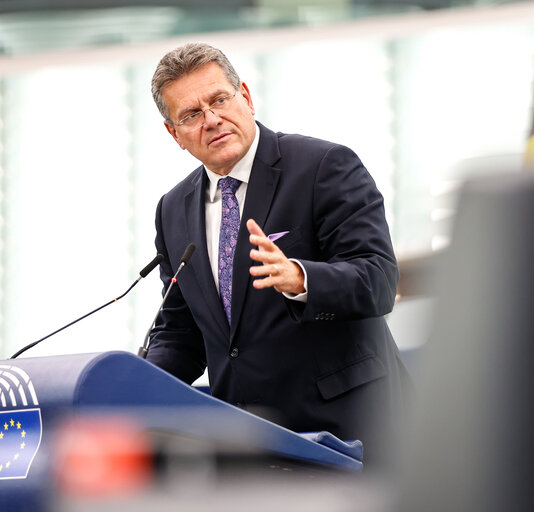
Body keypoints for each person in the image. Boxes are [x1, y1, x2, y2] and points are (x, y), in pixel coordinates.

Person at [145, 43, 409, 466]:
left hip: (352, 437)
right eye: (191, 115)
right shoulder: (172, 209)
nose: (211, 120)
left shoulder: (324, 166)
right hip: (249, 447)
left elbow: (378, 281)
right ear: (174, 134)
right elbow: (182, 333)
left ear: (245, 97)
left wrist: (302, 279)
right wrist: (130, 382)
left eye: (219, 100)